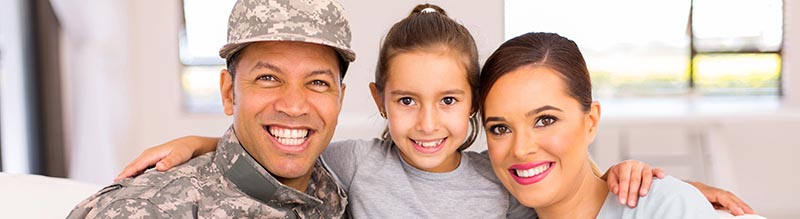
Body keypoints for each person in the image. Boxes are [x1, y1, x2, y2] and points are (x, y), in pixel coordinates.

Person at [113, 4, 755, 218]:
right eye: (406, 102)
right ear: (376, 102)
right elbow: (280, 152)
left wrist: (673, 187)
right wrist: (205, 142)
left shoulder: (499, 182)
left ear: (472, 107)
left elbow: (569, 190)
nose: (427, 124)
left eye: (450, 102)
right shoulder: (350, 166)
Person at [67, 0, 355, 218]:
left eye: (317, 82)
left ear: (339, 99)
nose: (293, 106)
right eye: (267, 78)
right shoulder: (148, 209)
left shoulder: (353, 187)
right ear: (229, 92)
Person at [479, 32, 738, 218]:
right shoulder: (495, 206)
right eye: (500, 128)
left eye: (545, 120)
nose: (521, 149)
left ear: (590, 122)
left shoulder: (664, 206)